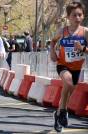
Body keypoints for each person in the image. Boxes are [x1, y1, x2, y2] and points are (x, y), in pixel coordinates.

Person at [50, 2, 88, 132]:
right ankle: (64, 112)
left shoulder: (85, 32)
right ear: (68, 17)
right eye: (74, 15)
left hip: (77, 68)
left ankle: (58, 114)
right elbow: (53, 41)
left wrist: (82, 48)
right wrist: (53, 52)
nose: (77, 17)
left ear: (83, 16)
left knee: (67, 93)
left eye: (80, 15)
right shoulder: (63, 31)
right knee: (68, 81)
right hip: (63, 65)